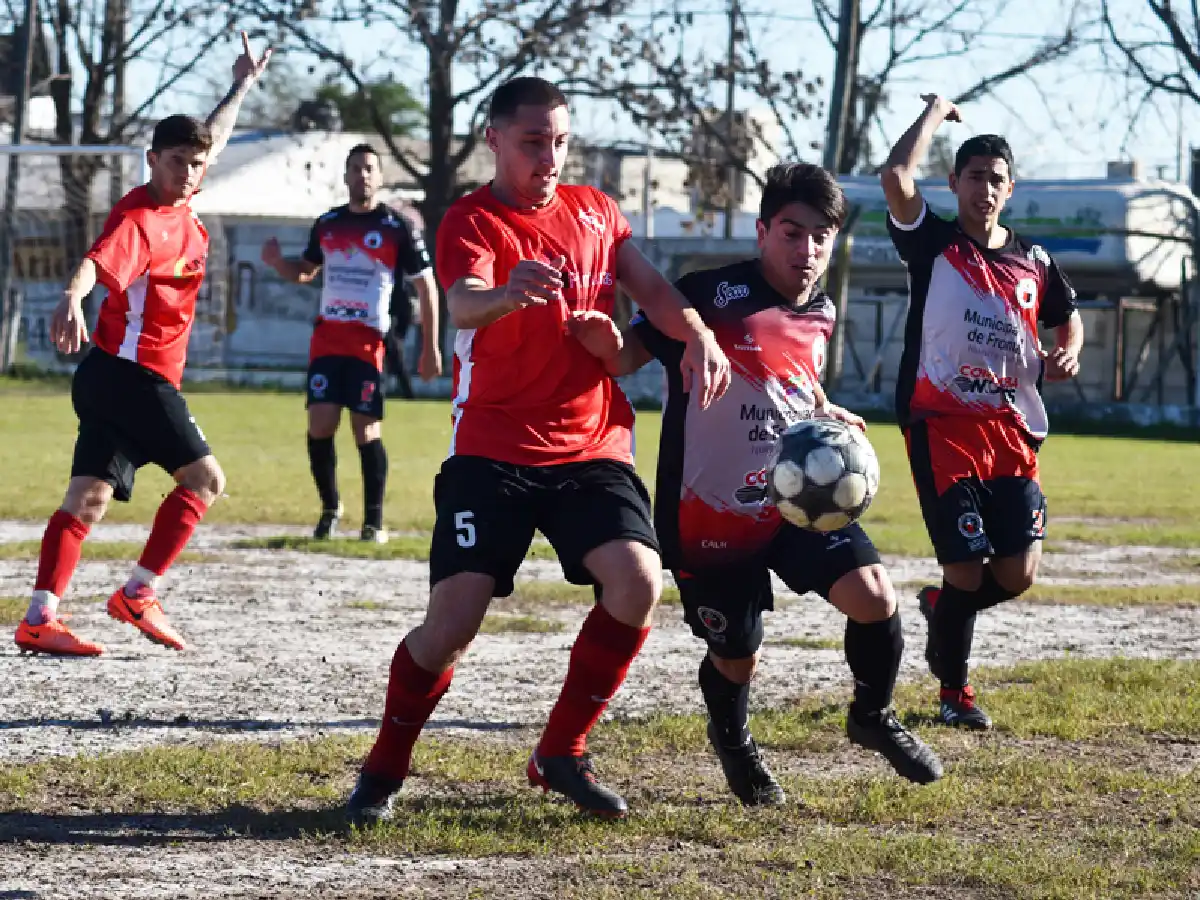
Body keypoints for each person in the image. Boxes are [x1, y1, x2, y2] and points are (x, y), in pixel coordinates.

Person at [346, 76, 730, 822]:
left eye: (559, 142)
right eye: (532, 142)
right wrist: (505, 295)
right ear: (494, 139)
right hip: (491, 449)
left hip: (591, 445)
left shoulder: (597, 212)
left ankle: (561, 752)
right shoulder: (471, 219)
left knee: (637, 583)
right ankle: (384, 770)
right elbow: (463, 301)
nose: (549, 158)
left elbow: (653, 290)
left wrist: (699, 336)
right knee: (452, 625)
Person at [604, 162, 943, 802]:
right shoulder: (706, 295)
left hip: (796, 499)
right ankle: (734, 743)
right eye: (792, 232)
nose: (806, 249)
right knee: (739, 655)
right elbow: (626, 356)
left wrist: (825, 409)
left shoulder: (822, 310)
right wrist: (595, 333)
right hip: (706, 515)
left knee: (875, 594)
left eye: (820, 236)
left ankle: (872, 716)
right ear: (763, 232)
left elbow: (792, 380)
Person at [13, 34, 271, 657]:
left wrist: (241, 84)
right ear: (152, 161)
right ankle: (138, 592)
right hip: (135, 377)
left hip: (107, 377)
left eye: (196, 163)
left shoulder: (186, 195)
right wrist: (71, 296)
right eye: (177, 161)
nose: (189, 171)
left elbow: (215, 135)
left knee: (88, 498)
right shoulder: (141, 221)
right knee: (205, 480)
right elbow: (95, 263)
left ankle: (39, 617)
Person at [880, 95, 1084, 729]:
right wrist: (936, 114)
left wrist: (1068, 350)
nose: (985, 189)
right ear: (954, 183)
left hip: (1012, 428)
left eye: (997, 179)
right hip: (941, 424)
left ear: (1010, 188)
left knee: (1018, 573)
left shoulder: (1034, 261)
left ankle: (943, 608)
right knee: (966, 569)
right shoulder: (933, 243)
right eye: (974, 177)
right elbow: (895, 176)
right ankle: (954, 694)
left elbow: (1067, 316)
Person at [261, 145, 440, 542]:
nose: (363, 175)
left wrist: (431, 347)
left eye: (369, 168)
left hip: (369, 344)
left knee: (366, 429)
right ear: (346, 176)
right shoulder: (328, 224)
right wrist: (278, 263)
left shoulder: (396, 227)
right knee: (320, 425)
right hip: (327, 341)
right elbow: (306, 271)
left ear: (380, 177)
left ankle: (373, 522)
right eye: (356, 168)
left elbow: (426, 286)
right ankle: (330, 510)